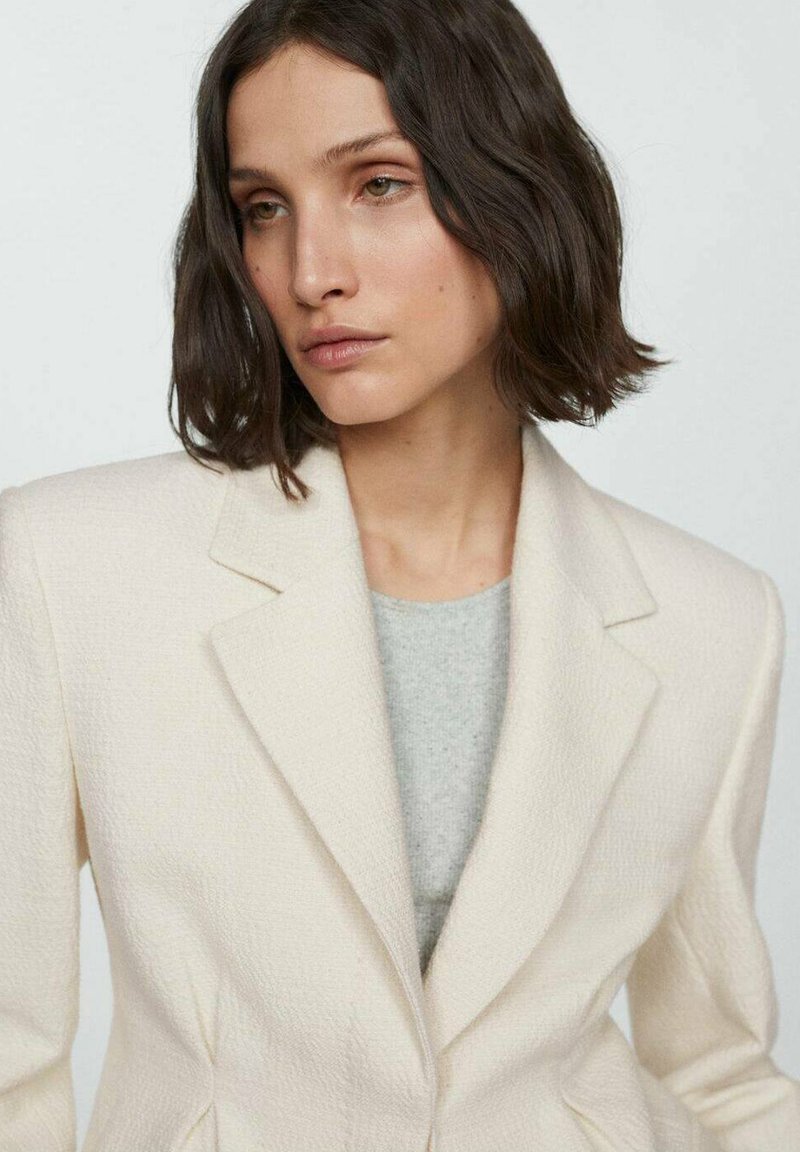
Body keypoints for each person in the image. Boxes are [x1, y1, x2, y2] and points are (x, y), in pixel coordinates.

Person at [1, 0, 797, 1149]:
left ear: (514, 192)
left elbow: (717, 1071)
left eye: (379, 184)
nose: (309, 272)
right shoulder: (67, 566)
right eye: (263, 208)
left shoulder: (713, 622)